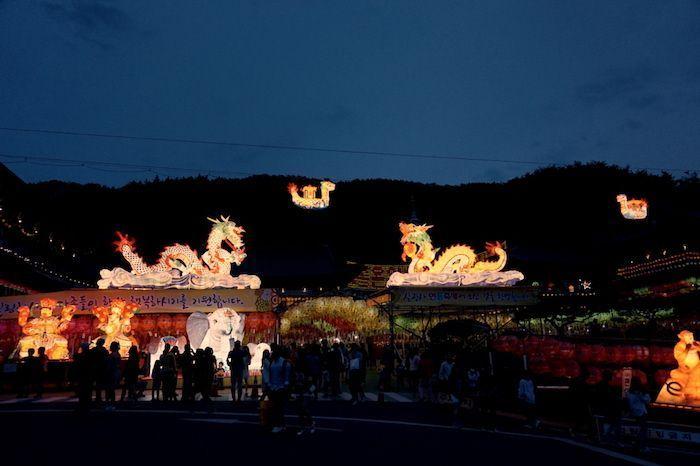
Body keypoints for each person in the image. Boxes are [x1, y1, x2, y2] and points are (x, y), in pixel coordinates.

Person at [266, 345, 291, 433]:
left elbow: (287, 378)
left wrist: (284, 387)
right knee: (275, 408)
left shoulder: (284, 363)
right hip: (273, 388)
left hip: (280, 388)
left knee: (279, 408)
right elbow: (271, 375)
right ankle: (280, 424)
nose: (272, 352)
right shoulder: (273, 362)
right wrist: (269, 385)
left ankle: (279, 424)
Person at [627, 380, 651, 453]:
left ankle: (637, 445)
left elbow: (647, 400)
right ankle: (642, 446)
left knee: (641, 430)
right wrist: (641, 395)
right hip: (640, 413)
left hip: (637, 412)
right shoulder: (636, 393)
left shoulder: (630, 393)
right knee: (643, 430)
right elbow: (646, 400)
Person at [73, 343, 92, 413]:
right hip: (86, 376)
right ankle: (85, 406)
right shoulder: (89, 356)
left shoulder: (80, 356)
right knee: (86, 391)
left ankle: (83, 406)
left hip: (83, 376)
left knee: (83, 391)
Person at [90, 338, 109, 403]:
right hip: (100, 369)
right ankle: (98, 397)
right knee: (99, 384)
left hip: (94, 368)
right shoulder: (104, 350)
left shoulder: (93, 350)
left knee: (95, 383)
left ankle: (95, 397)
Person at [104, 341, 121, 410]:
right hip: (115, 373)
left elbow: (109, 365)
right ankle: (112, 403)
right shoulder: (117, 355)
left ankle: (109, 403)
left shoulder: (112, 356)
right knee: (112, 389)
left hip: (111, 373)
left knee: (109, 389)